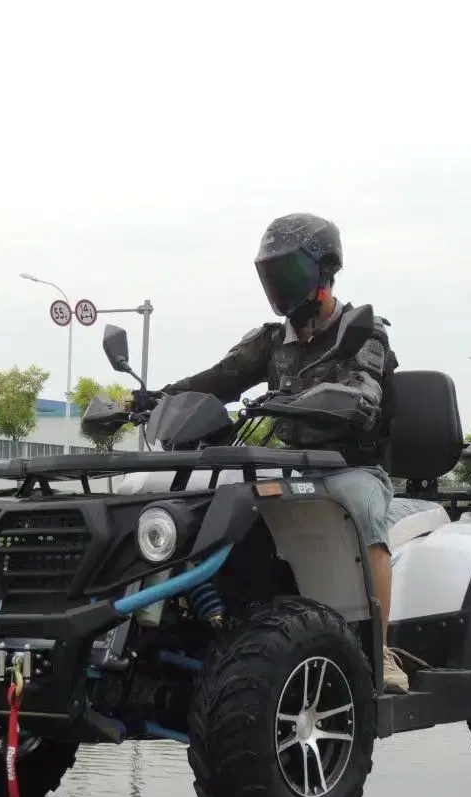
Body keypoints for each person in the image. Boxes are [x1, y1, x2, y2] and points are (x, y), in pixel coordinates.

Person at [157, 212, 411, 693]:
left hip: (350, 467)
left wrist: (338, 399)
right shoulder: (273, 341)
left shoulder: (364, 332)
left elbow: (365, 392)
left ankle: (379, 648)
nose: (279, 286)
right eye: (272, 275)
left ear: (324, 271)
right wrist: (157, 399)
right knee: (204, 497)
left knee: (360, 509)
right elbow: (217, 379)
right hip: (290, 466)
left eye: (288, 272)